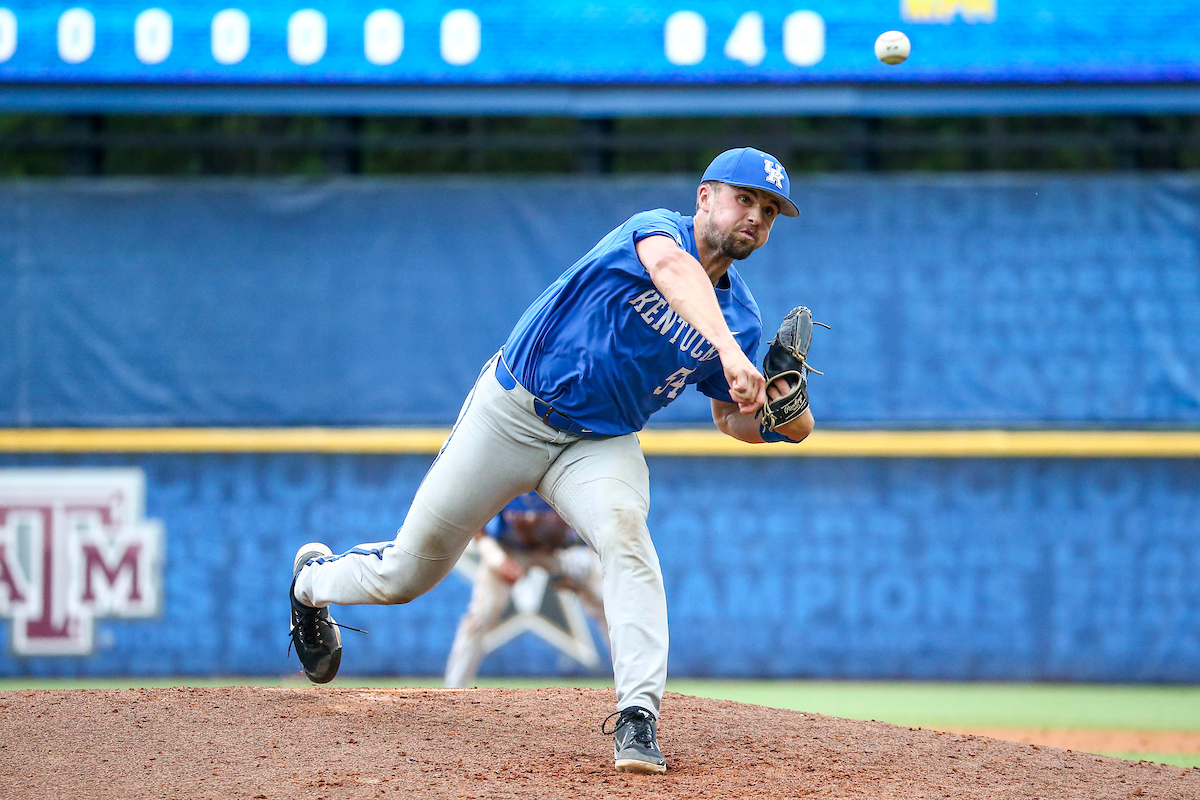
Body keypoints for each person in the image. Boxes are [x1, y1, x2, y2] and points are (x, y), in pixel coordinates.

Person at [289, 146, 816, 775]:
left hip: (599, 443)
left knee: (628, 540)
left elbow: (732, 418)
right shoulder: (656, 231)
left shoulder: (741, 315)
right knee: (407, 575)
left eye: (769, 210)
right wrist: (733, 353)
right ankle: (311, 584)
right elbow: (674, 273)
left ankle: (638, 715)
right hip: (512, 411)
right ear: (705, 197)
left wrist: (781, 413)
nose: (755, 216)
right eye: (744, 199)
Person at [443, 491, 609, 689]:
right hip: (509, 549)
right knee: (481, 614)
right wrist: (496, 559)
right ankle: (453, 690)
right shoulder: (504, 473)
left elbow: (597, 519)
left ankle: (633, 685)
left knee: (607, 606)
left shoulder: (566, 473)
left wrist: (581, 551)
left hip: (560, 551)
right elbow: (475, 522)